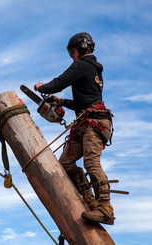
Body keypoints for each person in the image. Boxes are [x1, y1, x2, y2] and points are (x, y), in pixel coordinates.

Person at [34, 32, 114, 225]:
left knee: (91, 163)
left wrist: (43, 87)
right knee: (66, 163)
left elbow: (60, 82)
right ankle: (90, 201)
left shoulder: (82, 65)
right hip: (86, 122)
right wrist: (62, 102)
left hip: (94, 122)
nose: (71, 54)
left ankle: (105, 208)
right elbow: (85, 100)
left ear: (81, 47)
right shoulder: (92, 69)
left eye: (72, 50)